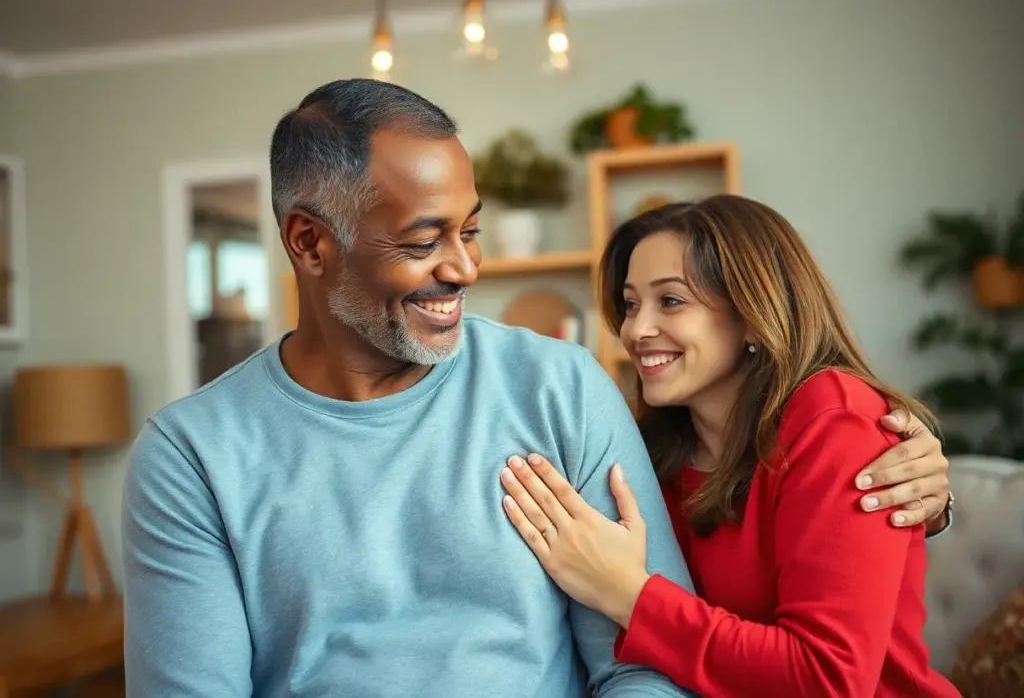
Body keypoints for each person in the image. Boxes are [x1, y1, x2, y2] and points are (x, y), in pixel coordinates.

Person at [121, 79, 949, 697]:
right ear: (309, 243)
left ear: (756, 316)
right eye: (425, 238)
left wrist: (920, 483)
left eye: (471, 230)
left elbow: (651, 669)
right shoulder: (190, 455)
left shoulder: (563, 388)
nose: (465, 267)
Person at [497, 196, 960, 697]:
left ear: (751, 314)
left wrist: (630, 596)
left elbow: (829, 681)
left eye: (670, 301)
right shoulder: (653, 452)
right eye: (630, 305)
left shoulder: (836, 421)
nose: (636, 330)